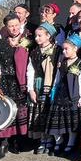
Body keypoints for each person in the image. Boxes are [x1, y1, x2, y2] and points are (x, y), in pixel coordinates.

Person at [0, 14, 31, 158]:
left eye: (16, 25)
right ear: (6, 27)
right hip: (5, 81)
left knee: (20, 111)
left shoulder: (27, 41)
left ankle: (18, 140)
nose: (14, 28)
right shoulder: (0, 44)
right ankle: (4, 142)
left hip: (21, 81)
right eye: (11, 26)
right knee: (5, 111)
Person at [44, 33, 81, 156]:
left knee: (72, 123)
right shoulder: (63, 63)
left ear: (75, 48)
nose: (64, 51)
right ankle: (59, 141)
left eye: (66, 49)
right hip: (61, 94)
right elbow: (57, 78)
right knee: (56, 120)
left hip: (73, 95)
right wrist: (53, 91)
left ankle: (71, 142)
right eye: (63, 49)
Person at [27, 23, 59, 154]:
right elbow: (30, 71)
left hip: (52, 84)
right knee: (39, 113)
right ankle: (42, 140)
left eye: (40, 36)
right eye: (36, 36)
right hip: (38, 84)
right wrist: (31, 89)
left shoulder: (57, 50)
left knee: (48, 112)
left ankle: (51, 139)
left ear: (48, 36)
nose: (36, 38)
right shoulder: (34, 52)